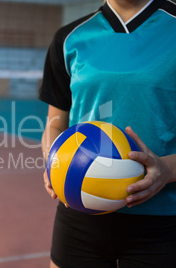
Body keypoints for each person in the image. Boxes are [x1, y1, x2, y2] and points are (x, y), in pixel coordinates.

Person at [40, 0, 176, 267]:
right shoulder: (70, 38)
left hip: (163, 218)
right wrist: (52, 161)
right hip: (81, 209)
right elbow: (55, 123)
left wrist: (167, 170)